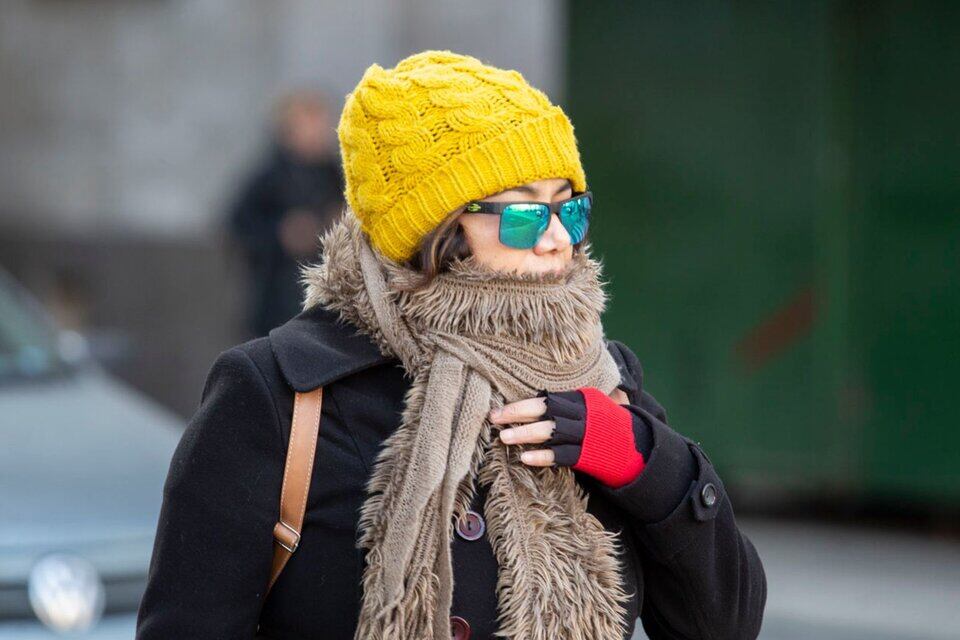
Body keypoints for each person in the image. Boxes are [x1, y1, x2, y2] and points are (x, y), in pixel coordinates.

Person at [137, 50, 766, 639]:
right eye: (523, 215)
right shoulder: (277, 395)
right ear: (434, 229)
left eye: (569, 210)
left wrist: (646, 460)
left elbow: (724, 624)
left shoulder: (600, 379)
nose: (557, 242)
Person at [227, 88, 344, 338]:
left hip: (326, 297)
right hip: (277, 297)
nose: (317, 131)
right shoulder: (269, 175)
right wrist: (282, 233)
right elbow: (238, 224)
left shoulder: (335, 173)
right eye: (308, 123)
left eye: (320, 122)